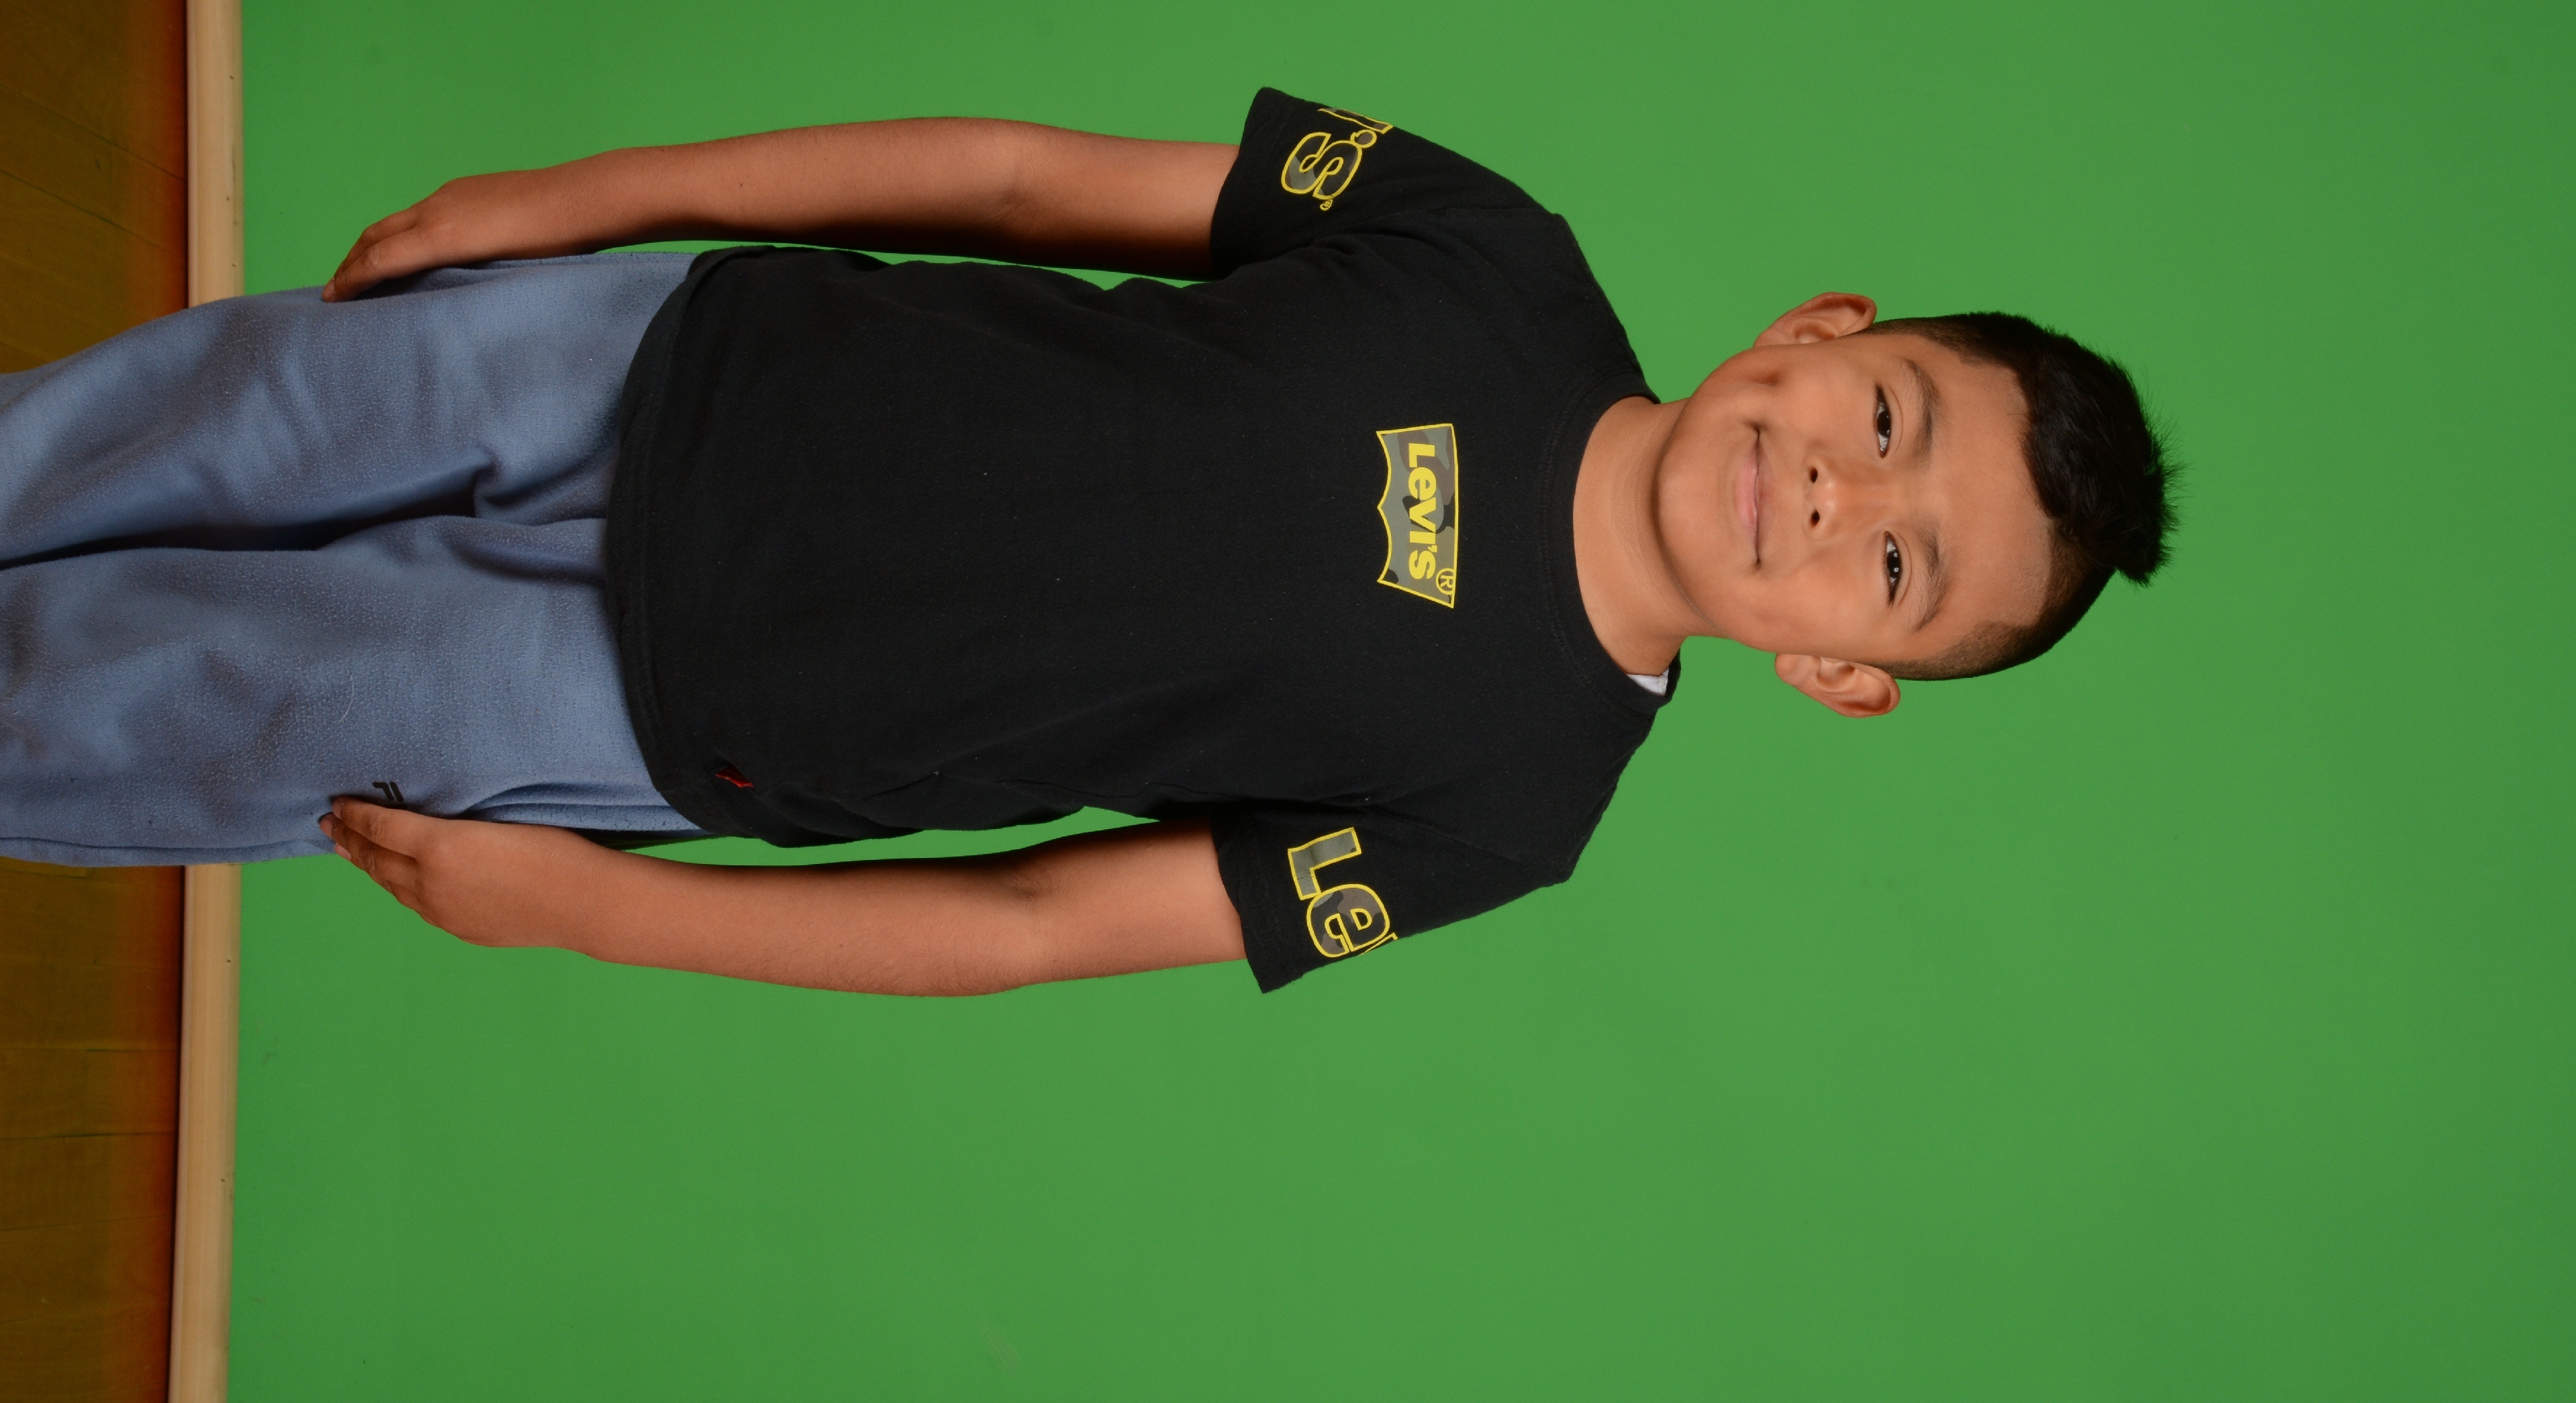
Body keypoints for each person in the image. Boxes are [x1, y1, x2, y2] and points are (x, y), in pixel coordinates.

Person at [0, 89, 2173, 994]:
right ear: (1821, 329)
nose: (1836, 493)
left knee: (157, 701)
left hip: (668, 707)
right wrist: (579, 200)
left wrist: (593, 911)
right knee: (208, 412)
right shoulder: (1490, 244)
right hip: (665, 355)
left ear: (1842, 673)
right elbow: (1020, 184)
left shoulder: (1514, 808)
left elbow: (1036, 920)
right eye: (1884, 420)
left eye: (1894, 568)